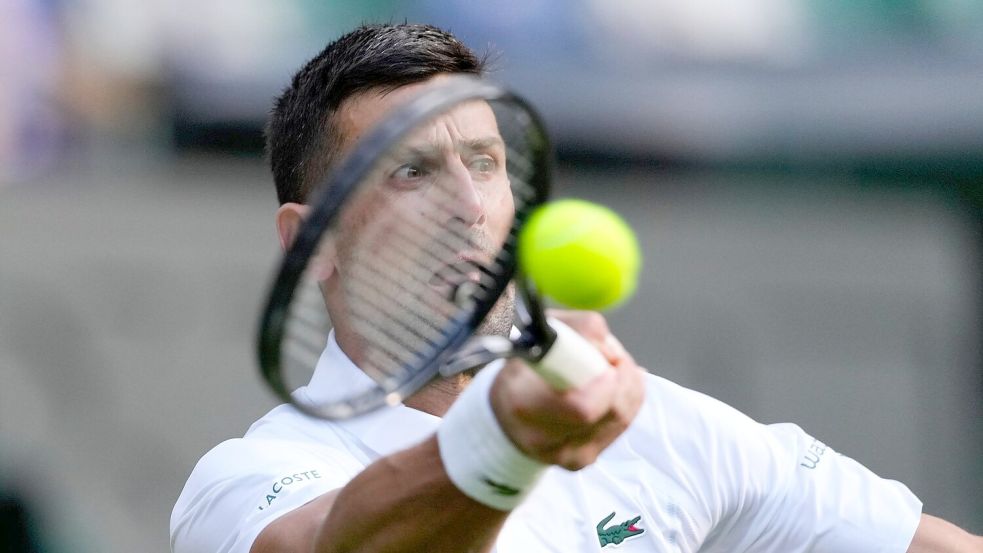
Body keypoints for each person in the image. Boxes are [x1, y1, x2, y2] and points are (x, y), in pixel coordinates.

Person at [170, 23, 982, 553]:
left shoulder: (671, 427)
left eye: (484, 162)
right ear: (311, 240)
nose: (469, 204)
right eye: (411, 170)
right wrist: (505, 441)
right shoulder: (250, 476)